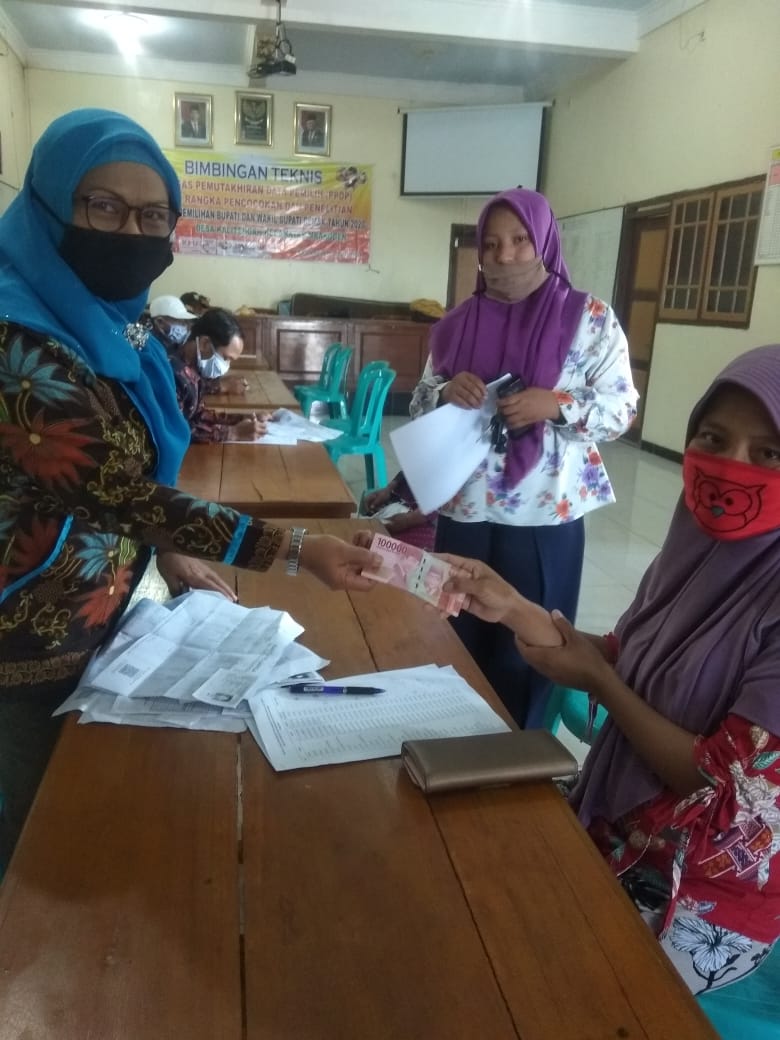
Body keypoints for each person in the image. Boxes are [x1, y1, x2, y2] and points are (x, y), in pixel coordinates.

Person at [0, 108, 379, 866]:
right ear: (48, 204)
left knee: (94, 829)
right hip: (21, 646)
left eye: (153, 216)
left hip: (99, 628)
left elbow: (135, 474)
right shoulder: (16, 339)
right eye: (103, 206)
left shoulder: (112, 327)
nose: (131, 232)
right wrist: (297, 550)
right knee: (35, 849)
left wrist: (168, 553)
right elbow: (118, 489)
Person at [442, 343, 780, 996]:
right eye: (714, 439)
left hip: (703, 894)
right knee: (463, 886)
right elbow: (628, 655)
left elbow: (721, 785)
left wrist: (599, 681)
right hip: (620, 829)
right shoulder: (696, 545)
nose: (732, 468)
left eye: (770, 454)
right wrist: (513, 607)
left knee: (510, 974)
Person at [410, 187, 637, 728]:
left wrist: (555, 405)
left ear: (544, 243)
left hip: (544, 516)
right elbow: (418, 400)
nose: (505, 255)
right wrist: (443, 393)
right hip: (464, 508)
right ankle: (452, 742)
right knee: (456, 634)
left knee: (531, 651)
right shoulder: (457, 324)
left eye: (519, 240)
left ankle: (520, 755)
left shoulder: (588, 319)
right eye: (491, 244)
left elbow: (622, 408)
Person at [169, 307, 265, 442]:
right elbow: (176, 430)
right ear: (204, 343)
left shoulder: (193, 369)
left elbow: (197, 415)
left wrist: (240, 418)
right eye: (225, 358)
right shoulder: (172, 373)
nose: (226, 366)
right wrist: (233, 433)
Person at [361, 471, 437, 551]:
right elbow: (405, 471)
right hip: (397, 504)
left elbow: (438, 506)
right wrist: (388, 489)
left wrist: (408, 519)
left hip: (422, 521)